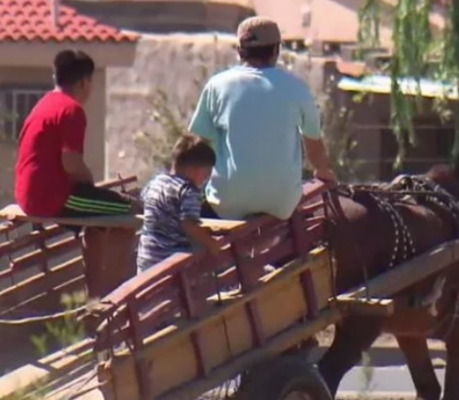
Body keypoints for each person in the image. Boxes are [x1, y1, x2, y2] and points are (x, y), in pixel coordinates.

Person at [14, 49, 139, 299]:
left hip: (26, 194)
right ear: (84, 82)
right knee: (130, 210)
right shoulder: (71, 110)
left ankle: (93, 294)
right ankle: (114, 291)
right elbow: (71, 163)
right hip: (52, 197)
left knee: (99, 217)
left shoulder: (43, 105)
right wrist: (91, 187)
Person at [188, 16, 336, 222]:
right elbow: (313, 144)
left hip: (226, 204)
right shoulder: (297, 88)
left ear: (240, 51)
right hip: (282, 204)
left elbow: (198, 143)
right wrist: (322, 169)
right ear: (276, 50)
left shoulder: (217, 85)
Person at [137, 134, 221, 273]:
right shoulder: (188, 191)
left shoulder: (155, 182)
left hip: (146, 261)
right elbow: (188, 225)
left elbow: (144, 202)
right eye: (205, 174)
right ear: (191, 169)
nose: (205, 180)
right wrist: (211, 243)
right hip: (171, 265)